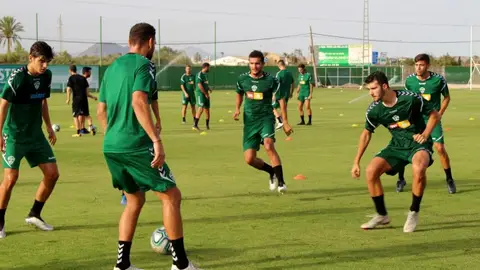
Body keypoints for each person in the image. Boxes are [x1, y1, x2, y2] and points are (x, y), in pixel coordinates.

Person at [97, 22, 200, 270]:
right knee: (171, 195)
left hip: (111, 146)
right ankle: (181, 264)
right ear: (150, 42)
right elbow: (138, 101)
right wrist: (156, 140)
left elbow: (100, 110)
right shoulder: (145, 65)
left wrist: (114, 136)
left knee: (134, 201)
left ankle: (122, 265)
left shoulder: (111, 68)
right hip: (135, 145)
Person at [351, 71, 441, 233]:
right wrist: (356, 161)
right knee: (371, 171)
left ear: (384, 86)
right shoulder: (374, 110)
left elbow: (435, 115)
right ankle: (381, 215)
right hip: (397, 145)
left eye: (374, 88)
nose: (371, 92)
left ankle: (413, 212)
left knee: (419, 169)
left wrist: (425, 134)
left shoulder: (410, 98)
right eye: (369, 89)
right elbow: (366, 133)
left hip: (418, 144)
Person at [0, 41, 60, 239]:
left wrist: (49, 126)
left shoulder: (46, 76)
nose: (45, 66)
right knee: (10, 179)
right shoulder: (18, 78)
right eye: (42, 61)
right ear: (31, 58)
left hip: (35, 135)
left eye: (48, 62)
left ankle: (35, 214)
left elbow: (43, 101)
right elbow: (3, 106)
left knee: (52, 174)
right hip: (14, 136)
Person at [396, 54, 456, 194]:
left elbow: (447, 97)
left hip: (431, 119)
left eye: (421, 65)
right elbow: (407, 99)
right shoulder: (410, 81)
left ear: (428, 65)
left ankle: (449, 179)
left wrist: (440, 112)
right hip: (414, 120)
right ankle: (401, 179)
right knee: (405, 147)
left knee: (440, 148)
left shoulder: (438, 80)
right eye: (416, 65)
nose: (418, 67)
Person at [234, 50, 287, 193]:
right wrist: (237, 109)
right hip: (250, 122)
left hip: (266, 119)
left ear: (263, 64)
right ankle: (271, 171)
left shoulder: (271, 80)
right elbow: (239, 94)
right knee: (249, 159)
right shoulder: (242, 79)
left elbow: (280, 98)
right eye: (251, 63)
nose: (254, 66)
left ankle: (281, 182)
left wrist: (285, 121)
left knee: (269, 145)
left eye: (257, 63)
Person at [66, 65, 97, 136]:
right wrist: (93, 97)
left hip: (76, 100)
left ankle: (78, 133)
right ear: (76, 70)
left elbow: (68, 89)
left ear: (70, 70)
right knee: (87, 115)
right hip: (84, 100)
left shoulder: (71, 78)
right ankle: (91, 127)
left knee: (75, 116)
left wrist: (68, 99)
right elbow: (87, 93)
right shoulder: (83, 78)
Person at [272, 60, 294, 134]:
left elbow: (277, 84)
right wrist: (291, 92)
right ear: (284, 64)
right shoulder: (290, 73)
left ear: (278, 65)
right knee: (283, 109)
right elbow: (293, 83)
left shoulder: (279, 73)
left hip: (279, 94)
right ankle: (281, 123)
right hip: (286, 94)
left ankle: (280, 121)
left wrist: (274, 94)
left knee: (270, 106)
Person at [193, 63, 211, 131]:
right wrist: (205, 94)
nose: (209, 69)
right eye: (209, 67)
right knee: (201, 108)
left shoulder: (205, 75)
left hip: (206, 94)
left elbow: (205, 84)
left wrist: (209, 89)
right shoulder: (199, 74)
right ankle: (195, 125)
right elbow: (200, 85)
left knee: (207, 109)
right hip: (200, 94)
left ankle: (207, 125)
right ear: (205, 67)